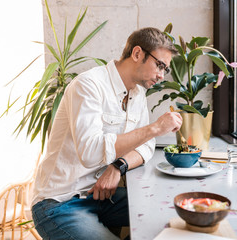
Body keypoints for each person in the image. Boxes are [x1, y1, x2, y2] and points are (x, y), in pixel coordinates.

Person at [31, 27, 181, 240]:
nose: (161, 75)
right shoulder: (88, 85)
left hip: (101, 196)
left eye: (165, 69)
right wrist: (155, 128)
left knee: (170, 214)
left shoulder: (137, 94)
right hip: (60, 204)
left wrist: (118, 166)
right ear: (137, 53)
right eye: (160, 65)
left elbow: (146, 146)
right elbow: (90, 153)